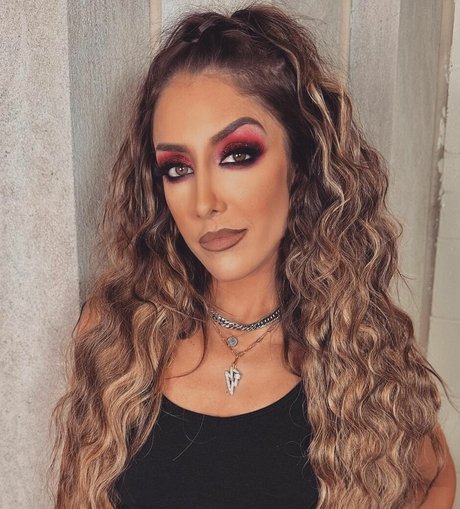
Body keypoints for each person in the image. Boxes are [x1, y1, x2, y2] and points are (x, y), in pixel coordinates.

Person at [49, 3, 457, 508]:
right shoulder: (115, 335)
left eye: (237, 155)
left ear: (300, 162)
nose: (204, 203)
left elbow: (437, 478)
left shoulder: (359, 351)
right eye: (177, 168)